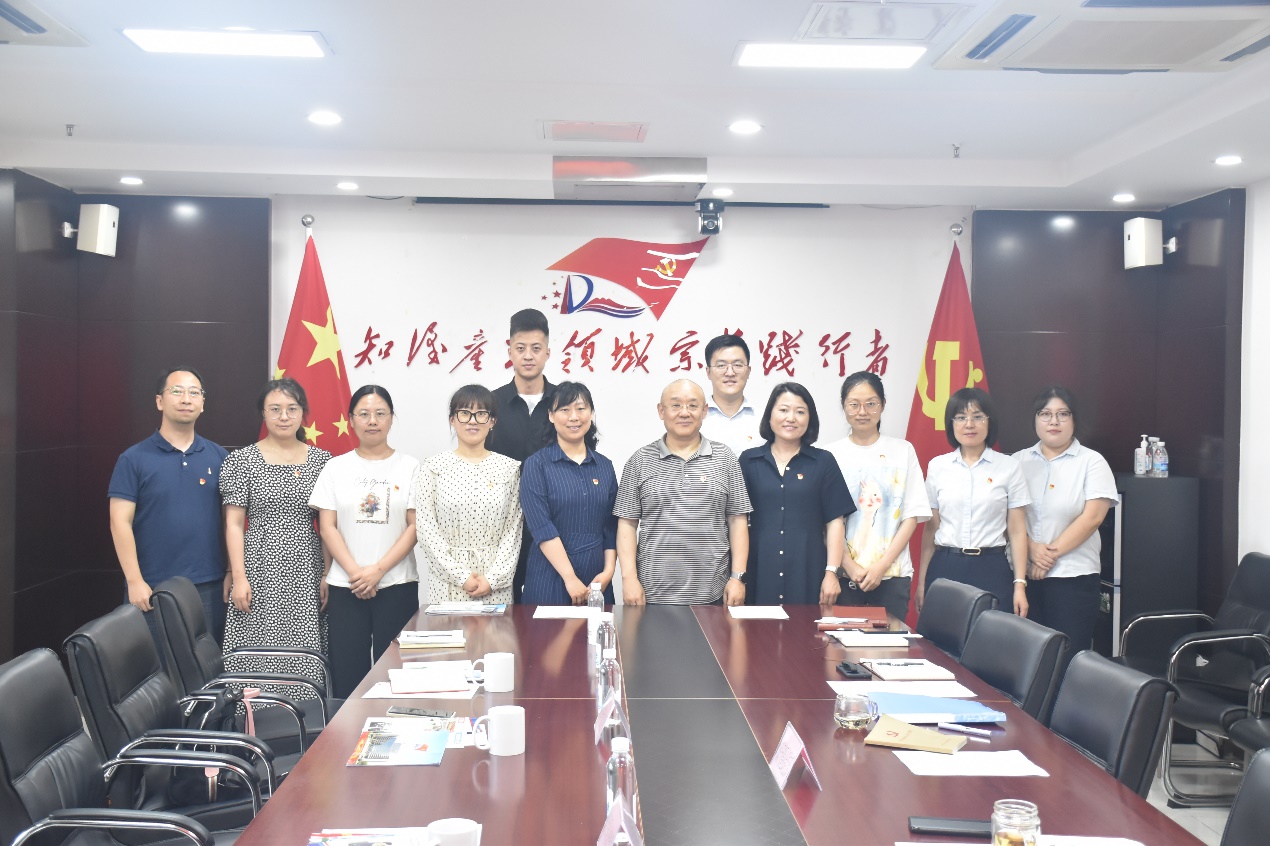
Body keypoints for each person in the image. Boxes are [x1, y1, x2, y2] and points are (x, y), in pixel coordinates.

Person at [219, 377, 331, 694]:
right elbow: (233, 524)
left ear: (302, 413)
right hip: (257, 566)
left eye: (292, 409)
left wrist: (327, 572)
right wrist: (238, 577)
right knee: (258, 637)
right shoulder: (242, 461)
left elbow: (328, 525)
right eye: (275, 409)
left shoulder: (323, 461)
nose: (284, 416)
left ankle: (305, 709)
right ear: (263, 414)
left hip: (306, 568)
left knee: (303, 640)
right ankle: (254, 708)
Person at [309, 385, 420, 698]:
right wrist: (356, 572)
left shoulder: (411, 467)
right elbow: (327, 526)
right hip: (346, 587)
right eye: (364, 414)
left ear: (391, 418)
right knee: (348, 676)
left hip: (397, 584)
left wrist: (378, 570)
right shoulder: (335, 467)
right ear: (351, 420)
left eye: (380, 413)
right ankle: (347, 730)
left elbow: (414, 526)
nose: (373, 420)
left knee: (397, 674)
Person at [108, 367, 229, 650]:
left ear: (202, 403)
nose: (186, 399)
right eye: (177, 391)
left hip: (209, 585)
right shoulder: (133, 459)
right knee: (155, 671)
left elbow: (230, 522)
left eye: (194, 393)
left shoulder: (220, 457)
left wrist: (232, 571)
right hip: (151, 587)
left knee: (207, 669)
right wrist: (134, 580)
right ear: (159, 401)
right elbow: (119, 522)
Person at [614, 379, 751, 606]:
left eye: (693, 405)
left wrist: (738, 577)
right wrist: (629, 579)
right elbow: (627, 524)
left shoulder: (725, 458)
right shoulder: (640, 460)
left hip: (714, 593)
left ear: (704, 411)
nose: (684, 413)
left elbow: (738, 520)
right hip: (652, 594)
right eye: (676, 405)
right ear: (661, 411)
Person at [1014, 386, 1117, 653]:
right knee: (1027, 659)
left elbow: (1093, 517)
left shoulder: (1092, 462)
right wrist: (1032, 549)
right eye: (1045, 414)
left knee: (1066, 657)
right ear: (1035, 419)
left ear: (1074, 420)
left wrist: (1048, 557)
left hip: (1074, 579)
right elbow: (1007, 518)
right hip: (1024, 578)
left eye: (1063, 414)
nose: (1054, 421)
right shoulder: (1017, 462)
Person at [824, 371, 932, 622]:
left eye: (871, 403)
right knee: (840, 645)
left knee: (889, 644)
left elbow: (911, 516)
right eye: (854, 404)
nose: (862, 411)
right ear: (844, 406)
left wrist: (881, 567)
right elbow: (826, 520)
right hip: (842, 577)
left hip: (892, 576)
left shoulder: (903, 450)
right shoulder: (830, 455)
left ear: (883, 405)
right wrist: (848, 565)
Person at [920, 387, 1031, 616]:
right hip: (946, 566)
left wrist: (1019, 585)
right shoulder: (938, 466)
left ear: (990, 422)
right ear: (951, 424)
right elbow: (931, 528)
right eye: (961, 417)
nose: (969, 424)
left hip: (991, 567)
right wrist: (921, 582)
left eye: (978, 417)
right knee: (942, 636)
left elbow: (1017, 530)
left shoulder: (1009, 467)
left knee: (991, 636)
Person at [739, 383, 853, 605]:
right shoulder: (749, 460)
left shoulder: (823, 461)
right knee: (758, 627)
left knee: (807, 627)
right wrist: (738, 576)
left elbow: (835, 522)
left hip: (808, 572)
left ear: (810, 419)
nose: (791, 418)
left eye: (800, 412)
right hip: (760, 571)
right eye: (783, 410)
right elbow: (738, 521)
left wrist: (832, 572)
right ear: (770, 415)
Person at [416, 385, 523, 606]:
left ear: (492, 421)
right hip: (447, 582)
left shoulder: (509, 469)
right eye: (464, 413)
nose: (472, 421)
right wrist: (461, 577)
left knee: (496, 630)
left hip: (494, 584)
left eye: (481, 414)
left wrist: (492, 579)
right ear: (452, 420)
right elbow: (427, 530)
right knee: (449, 631)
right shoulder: (433, 467)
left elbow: (513, 531)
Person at [519, 382, 618, 605]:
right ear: (551, 416)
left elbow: (611, 526)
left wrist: (608, 572)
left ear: (591, 414)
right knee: (547, 629)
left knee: (597, 629)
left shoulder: (604, 466)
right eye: (564, 410)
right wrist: (569, 577)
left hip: (597, 579)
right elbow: (540, 526)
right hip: (549, 575)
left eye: (581, 409)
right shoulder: (537, 464)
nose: (574, 417)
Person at [485, 308, 555, 601]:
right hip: (500, 525)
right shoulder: (491, 403)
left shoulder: (564, 403)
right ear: (510, 351)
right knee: (501, 611)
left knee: (550, 611)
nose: (528, 356)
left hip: (553, 523)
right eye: (521, 348)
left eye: (536, 349)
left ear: (547, 352)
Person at [700, 333, 761, 456]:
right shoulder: (694, 420)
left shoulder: (765, 421)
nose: (730, 373)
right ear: (708, 372)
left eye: (737, 365)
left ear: (748, 371)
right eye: (721, 365)